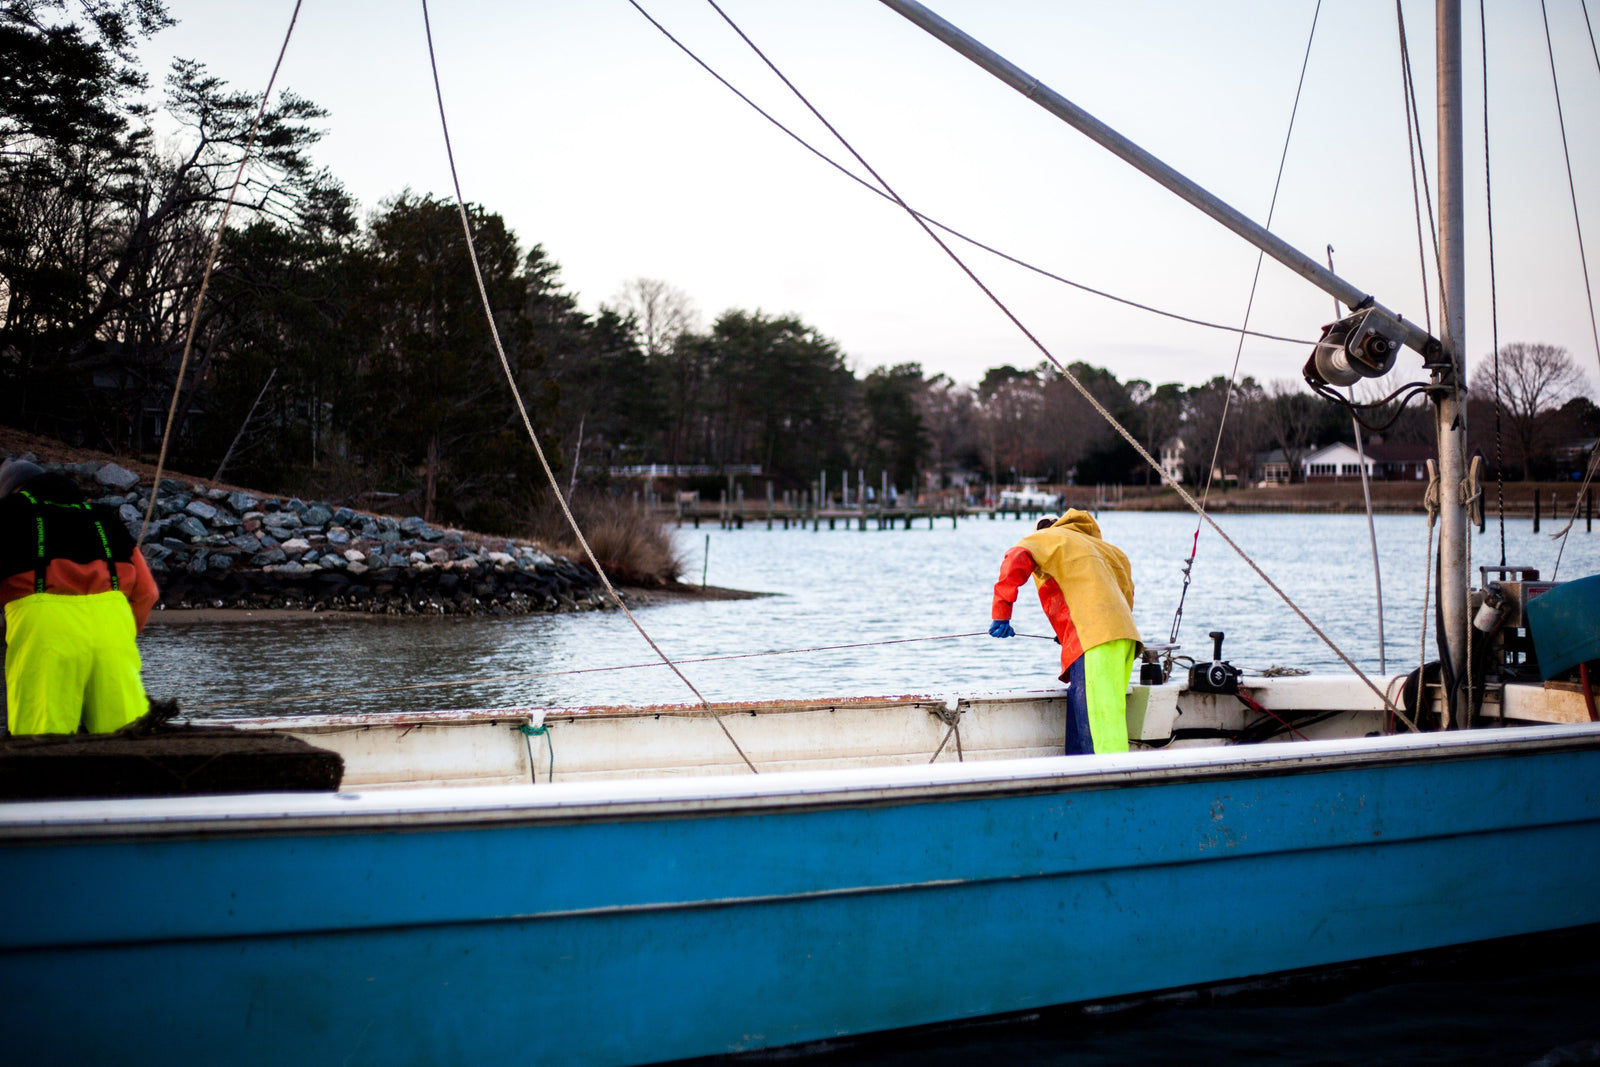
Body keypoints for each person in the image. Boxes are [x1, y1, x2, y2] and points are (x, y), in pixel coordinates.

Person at [0, 459, 159, 734]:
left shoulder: (7, 514)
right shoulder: (102, 516)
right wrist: (120, 633)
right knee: (128, 737)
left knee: (42, 742)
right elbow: (148, 593)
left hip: (46, 631)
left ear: (12, 490)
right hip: (113, 632)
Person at [990, 510, 1140, 754]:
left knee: (1098, 724)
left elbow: (1016, 556)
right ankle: (1080, 772)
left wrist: (1001, 612)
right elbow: (1123, 595)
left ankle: (1108, 781)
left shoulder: (1049, 538)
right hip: (1124, 640)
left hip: (1095, 640)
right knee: (1106, 711)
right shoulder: (1106, 550)